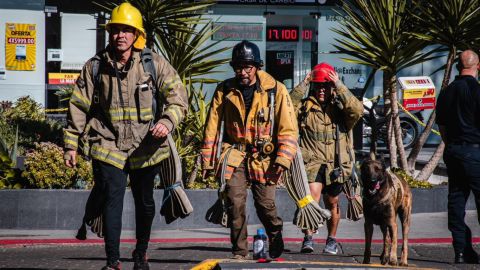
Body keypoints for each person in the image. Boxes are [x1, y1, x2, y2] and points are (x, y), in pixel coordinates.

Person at [63, 3, 187, 270]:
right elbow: (78, 105)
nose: (120, 35)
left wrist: (167, 121)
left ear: (136, 35)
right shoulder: (95, 67)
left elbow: (178, 99)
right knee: (112, 200)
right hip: (108, 144)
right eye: (115, 30)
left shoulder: (153, 64)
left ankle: (141, 252)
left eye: (126, 30)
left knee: (145, 203)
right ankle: (113, 261)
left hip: (146, 146)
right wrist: (71, 145)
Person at [201, 40, 298, 260]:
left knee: (265, 205)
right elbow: (212, 127)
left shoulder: (276, 90)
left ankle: (275, 232)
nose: (243, 72)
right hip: (234, 155)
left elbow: (288, 128)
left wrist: (282, 160)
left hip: (264, 158)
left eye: (248, 67)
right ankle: (239, 252)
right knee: (235, 204)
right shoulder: (224, 90)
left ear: (257, 67)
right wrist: (208, 161)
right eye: (238, 67)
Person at [290, 63, 362, 254]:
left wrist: (339, 84)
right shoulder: (305, 107)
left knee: (332, 202)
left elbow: (357, 110)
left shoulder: (341, 108)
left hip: (336, 164)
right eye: (319, 86)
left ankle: (331, 239)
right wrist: (303, 84)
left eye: (326, 86)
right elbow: (287, 108)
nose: (322, 90)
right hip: (312, 162)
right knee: (310, 198)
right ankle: (308, 237)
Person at [436, 49, 480, 264]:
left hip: (453, 150)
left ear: (457, 67)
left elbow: (442, 126)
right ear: (478, 66)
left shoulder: (447, 92)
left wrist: (452, 145)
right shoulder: (477, 91)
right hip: (474, 151)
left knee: (456, 200)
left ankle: (461, 251)